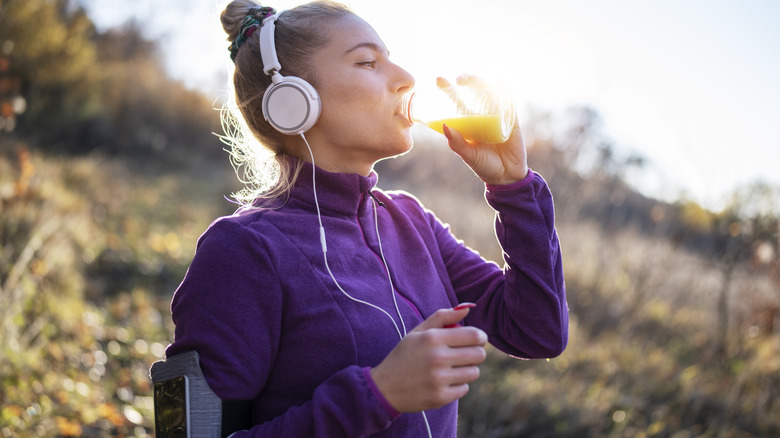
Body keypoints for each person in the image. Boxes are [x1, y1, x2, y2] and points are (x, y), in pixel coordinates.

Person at [164, 0, 568, 436]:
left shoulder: (410, 222)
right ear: (292, 100)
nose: (406, 79)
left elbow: (538, 332)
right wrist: (378, 394)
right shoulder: (242, 250)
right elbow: (189, 433)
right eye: (368, 61)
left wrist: (514, 187)